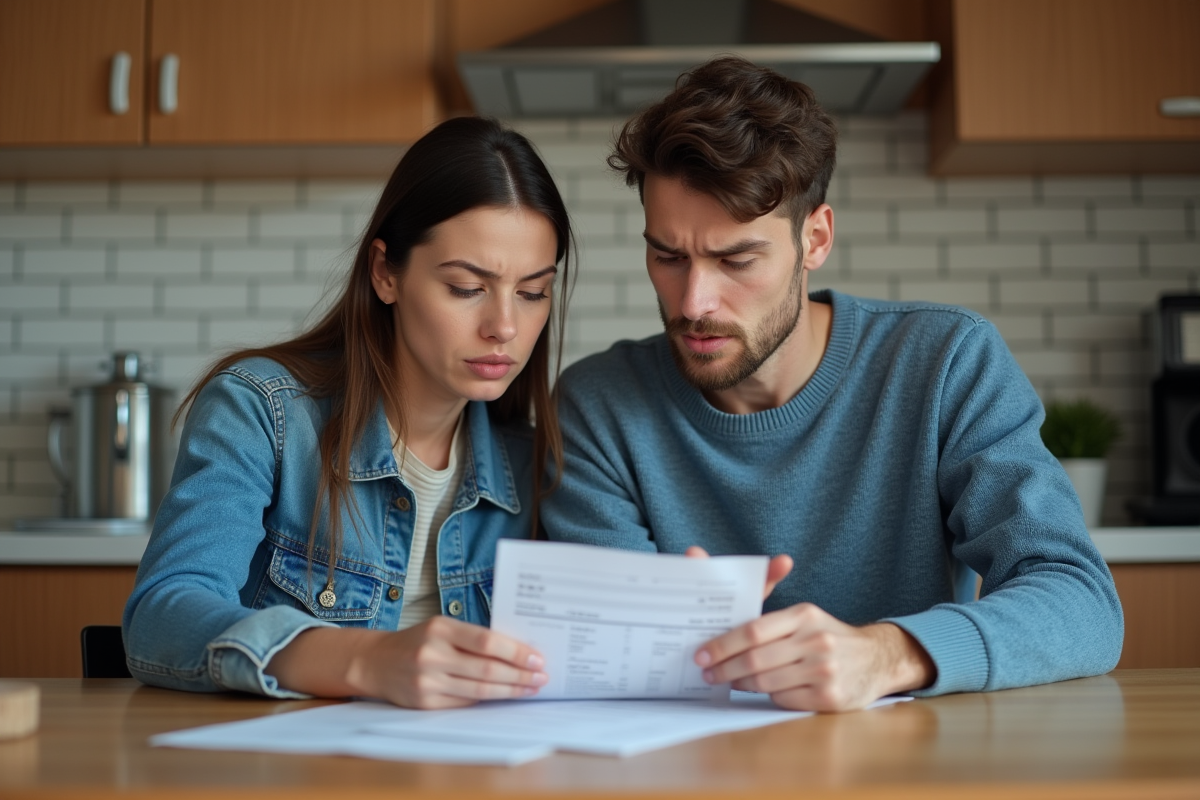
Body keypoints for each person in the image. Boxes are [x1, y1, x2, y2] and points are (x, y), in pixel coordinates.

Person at [540, 57, 1123, 712]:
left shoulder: (944, 363)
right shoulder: (598, 407)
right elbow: (612, 661)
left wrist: (885, 654)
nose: (695, 300)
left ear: (814, 238)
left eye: (737, 259)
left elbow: (1082, 602)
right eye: (667, 256)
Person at [123, 117, 573, 709]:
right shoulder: (263, 413)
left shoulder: (535, 463)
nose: (506, 327)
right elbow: (162, 614)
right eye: (467, 287)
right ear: (386, 272)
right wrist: (365, 661)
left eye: (533, 291)